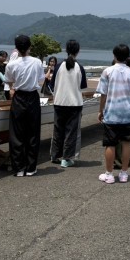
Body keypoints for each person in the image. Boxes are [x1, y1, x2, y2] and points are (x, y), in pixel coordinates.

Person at [96, 44, 130, 184]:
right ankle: (124, 173)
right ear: (127, 57)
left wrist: (100, 110)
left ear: (114, 55)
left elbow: (103, 94)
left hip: (111, 113)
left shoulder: (107, 71)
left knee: (110, 144)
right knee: (127, 143)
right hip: (127, 114)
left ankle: (109, 174)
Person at [4, 35, 45, 177]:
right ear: (29, 47)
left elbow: (9, 81)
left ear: (16, 48)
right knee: (33, 132)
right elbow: (41, 79)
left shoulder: (11, 64)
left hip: (19, 97)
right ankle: (31, 167)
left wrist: (13, 87)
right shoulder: (37, 62)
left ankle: (19, 168)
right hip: (32, 97)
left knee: (17, 133)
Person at [50, 40, 87, 168]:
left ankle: (55, 155)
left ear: (66, 50)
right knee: (71, 132)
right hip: (74, 104)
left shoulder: (58, 66)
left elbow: (52, 85)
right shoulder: (79, 68)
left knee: (58, 130)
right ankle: (66, 159)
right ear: (78, 51)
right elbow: (82, 86)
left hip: (59, 102)